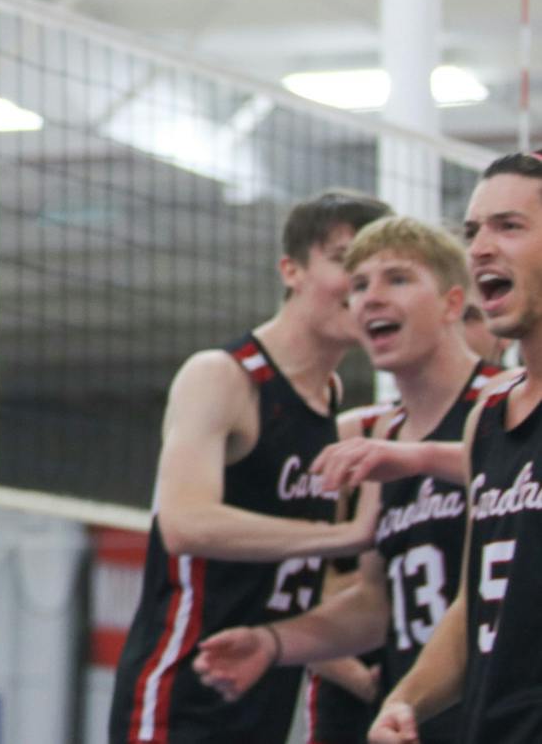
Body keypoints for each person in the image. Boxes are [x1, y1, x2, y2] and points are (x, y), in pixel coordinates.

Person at [192, 215, 508, 744]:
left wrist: (421, 459)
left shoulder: (505, 404)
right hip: (413, 718)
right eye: (359, 284)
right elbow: (376, 603)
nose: (371, 298)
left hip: (501, 713)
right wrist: (274, 642)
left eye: (398, 279)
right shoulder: (385, 436)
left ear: (453, 304)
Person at [108, 189, 392, 743]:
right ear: (292, 270)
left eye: (379, 272)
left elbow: (287, 583)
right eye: (345, 261)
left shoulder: (329, 401)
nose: (364, 286)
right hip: (181, 695)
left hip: (262, 695)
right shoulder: (225, 376)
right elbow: (185, 524)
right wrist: (342, 535)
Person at [369, 153, 542, 743]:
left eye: (509, 226)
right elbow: (473, 603)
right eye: (474, 232)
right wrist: (404, 700)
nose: (481, 249)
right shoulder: (489, 416)